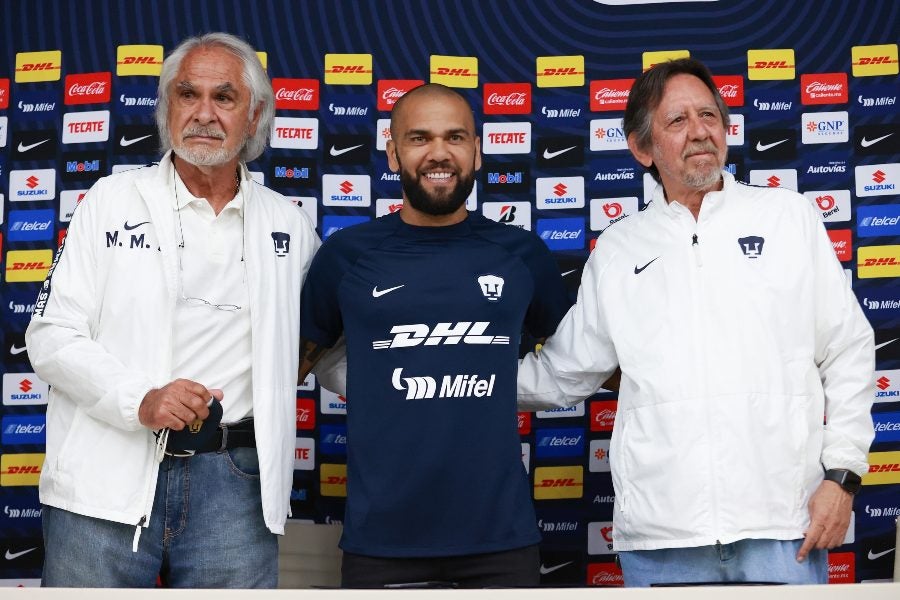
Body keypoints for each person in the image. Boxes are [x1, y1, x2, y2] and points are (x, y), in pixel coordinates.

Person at [517, 58, 875, 587]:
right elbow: (567, 371)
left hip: (781, 526)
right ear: (643, 149)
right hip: (662, 538)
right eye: (677, 120)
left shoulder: (788, 218)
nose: (700, 130)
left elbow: (848, 349)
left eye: (708, 115)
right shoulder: (619, 249)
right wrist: (470, 379)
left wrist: (842, 477)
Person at [25, 32, 334, 588]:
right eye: (188, 94)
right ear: (168, 109)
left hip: (234, 483)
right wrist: (141, 399)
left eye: (225, 97)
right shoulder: (110, 202)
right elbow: (50, 336)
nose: (204, 114)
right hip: (105, 475)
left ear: (255, 114)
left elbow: (325, 349)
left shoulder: (288, 225)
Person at [297, 83, 570, 588]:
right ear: (393, 152)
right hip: (382, 541)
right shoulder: (346, 256)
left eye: (456, 137)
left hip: (501, 540)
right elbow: (289, 366)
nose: (439, 153)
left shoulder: (522, 254)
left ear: (477, 152)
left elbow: (581, 358)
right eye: (419, 138)